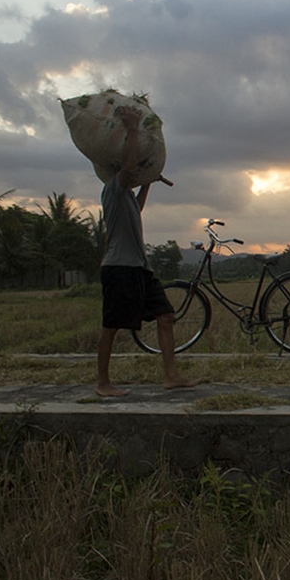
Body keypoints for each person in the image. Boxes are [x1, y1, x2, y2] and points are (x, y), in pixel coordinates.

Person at [96, 106, 200, 396]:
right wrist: (131, 129)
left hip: (139, 268)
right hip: (119, 268)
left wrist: (148, 185)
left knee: (166, 316)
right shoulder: (112, 188)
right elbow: (128, 169)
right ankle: (102, 382)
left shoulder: (126, 196)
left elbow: (138, 208)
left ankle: (171, 376)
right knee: (111, 326)